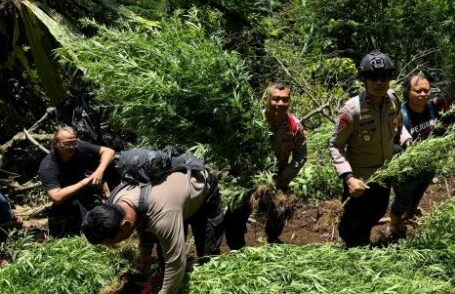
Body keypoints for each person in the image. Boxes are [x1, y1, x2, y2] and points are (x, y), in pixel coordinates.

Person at [81, 148, 223, 294]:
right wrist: (145, 254)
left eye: (115, 242)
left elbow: (175, 263)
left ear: (125, 224)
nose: (115, 245)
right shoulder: (116, 201)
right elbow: (141, 222)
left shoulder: (162, 216)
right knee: (163, 256)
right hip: (173, 200)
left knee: (208, 254)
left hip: (201, 195)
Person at [329, 50, 412, 247]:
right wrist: (348, 179)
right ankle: (353, 251)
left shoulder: (393, 101)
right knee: (349, 225)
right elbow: (335, 145)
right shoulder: (352, 110)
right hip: (360, 179)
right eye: (373, 77)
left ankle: (363, 245)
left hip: (385, 172)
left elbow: (399, 127)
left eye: (384, 77)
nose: (379, 82)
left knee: (376, 212)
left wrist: (407, 140)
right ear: (363, 80)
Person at [224, 82, 307, 248]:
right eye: (275, 99)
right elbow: (233, 150)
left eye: (285, 100)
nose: (280, 104)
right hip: (247, 179)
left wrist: (286, 175)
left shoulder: (293, 126)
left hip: (277, 179)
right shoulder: (250, 122)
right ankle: (236, 249)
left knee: (278, 214)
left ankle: (273, 242)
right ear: (265, 100)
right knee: (235, 217)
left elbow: (301, 155)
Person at [389, 73, 450, 236]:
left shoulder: (432, 108)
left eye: (426, 90)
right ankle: (394, 225)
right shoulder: (400, 114)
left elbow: (439, 130)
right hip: (405, 165)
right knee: (403, 198)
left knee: (419, 191)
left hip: (429, 160)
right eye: (418, 91)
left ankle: (410, 215)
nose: (423, 94)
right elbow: (392, 142)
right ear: (408, 92)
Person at [38, 126, 117, 237]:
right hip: (69, 197)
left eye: (74, 142)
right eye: (66, 144)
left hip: (88, 188)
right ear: (55, 143)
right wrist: (84, 182)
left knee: (112, 163)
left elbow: (109, 152)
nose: (71, 147)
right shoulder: (48, 166)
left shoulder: (78, 147)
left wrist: (99, 171)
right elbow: (56, 197)